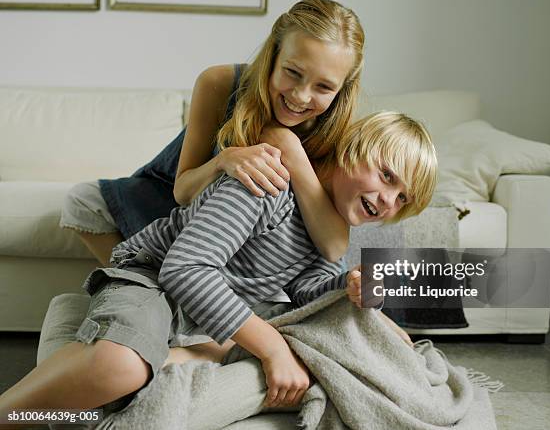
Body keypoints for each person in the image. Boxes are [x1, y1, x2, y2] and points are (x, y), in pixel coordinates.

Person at [0, 111, 437, 419]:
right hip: (154, 280)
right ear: (351, 149)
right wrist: (270, 347)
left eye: (402, 199)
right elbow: (184, 270)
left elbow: (306, 287)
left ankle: (178, 356)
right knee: (122, 367)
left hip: (208, 312)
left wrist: (346, 284)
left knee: (326, 340)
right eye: (386, 176)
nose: (388, 201)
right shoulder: (268, 184)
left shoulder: (331, 225)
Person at [60, 0, 365, 267]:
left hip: (242, 240)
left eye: (323, 87)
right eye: (292, 72)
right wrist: (225, 159)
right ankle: (139, 282)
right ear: (273, 56)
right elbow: (181, 191)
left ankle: (179, 290)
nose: (300, 96)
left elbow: (334, 246)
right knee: (82, 200)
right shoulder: (220, 82)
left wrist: (290, 148)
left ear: (342, 89)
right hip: (171, 205)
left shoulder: (336, 131)